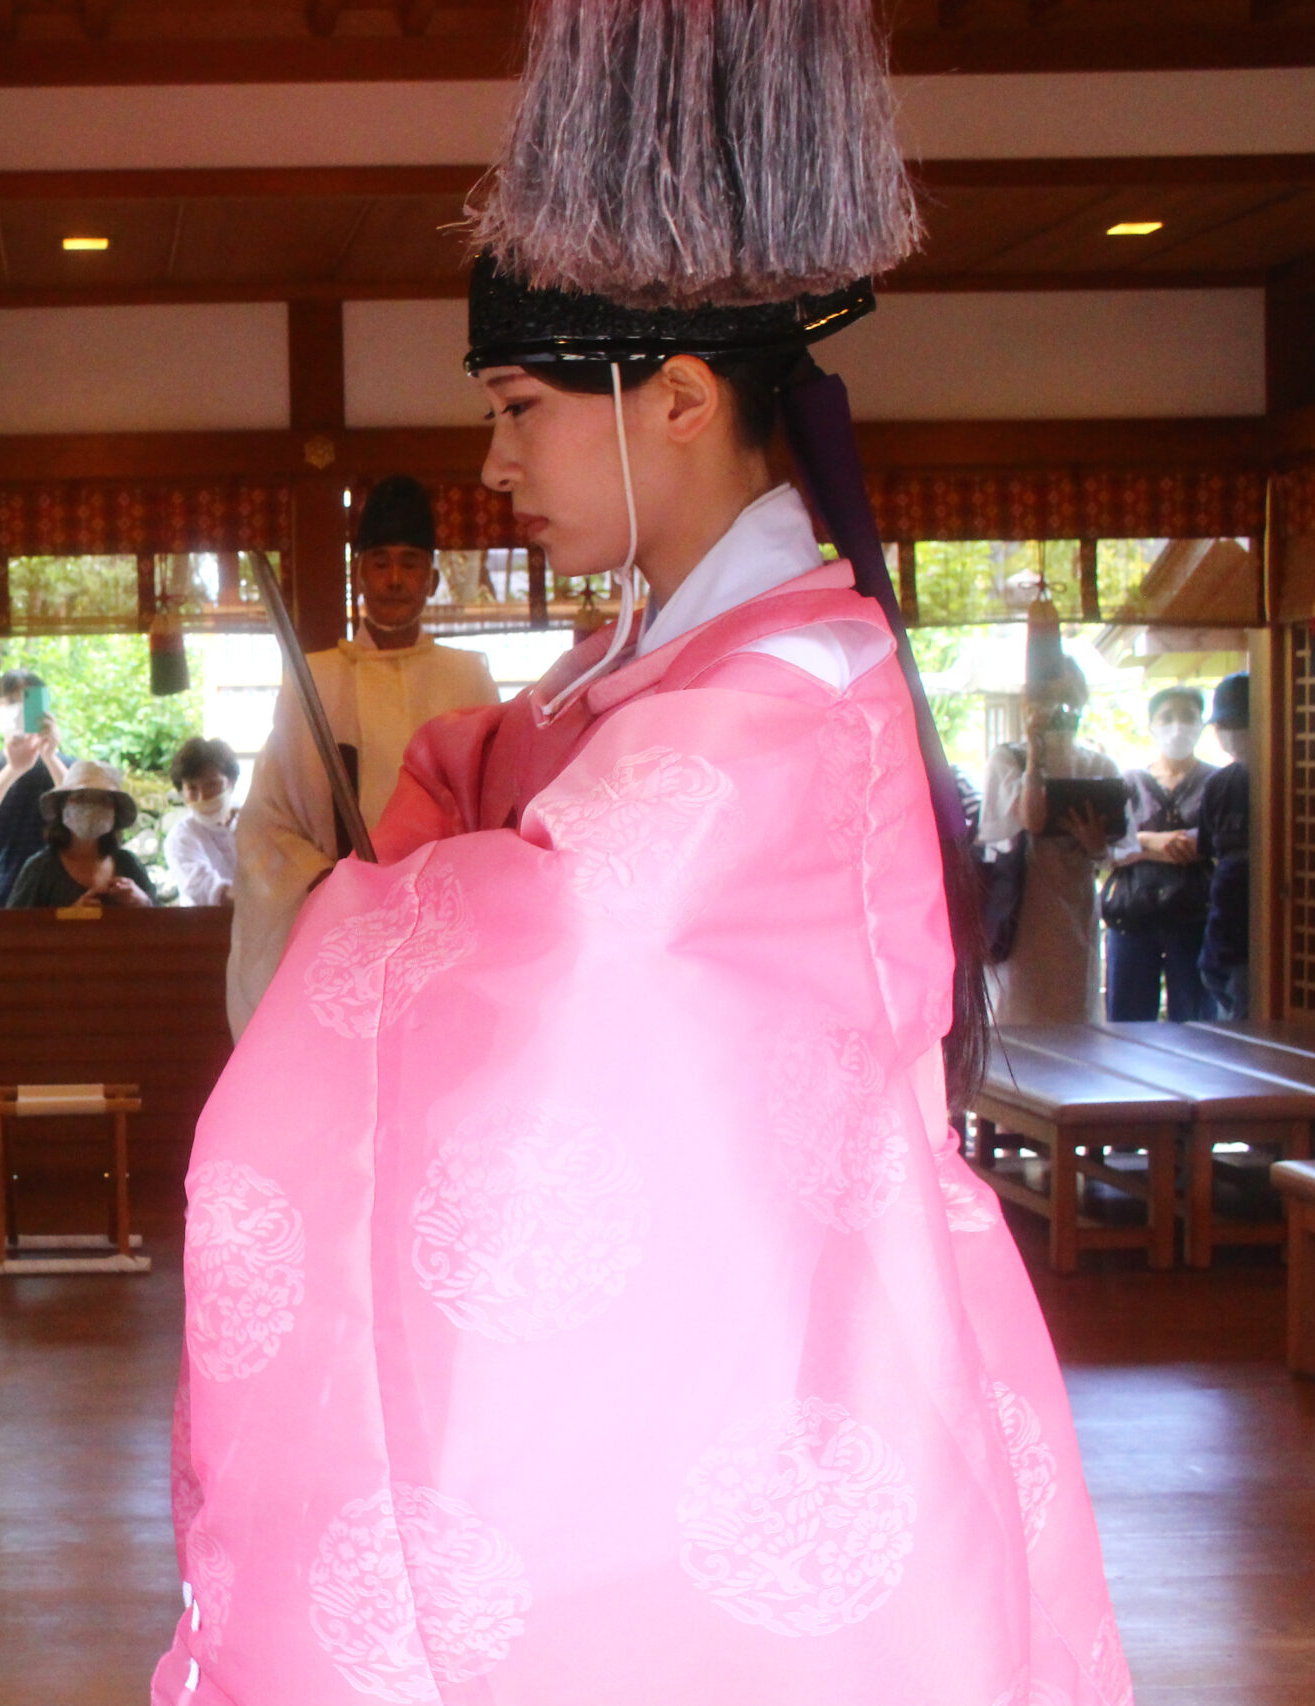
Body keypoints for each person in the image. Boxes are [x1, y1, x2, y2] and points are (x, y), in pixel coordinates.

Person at [158, 89, 1120, 1701]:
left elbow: (581, 937)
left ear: (676, 396)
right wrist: (434, 842)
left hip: (771, 1341)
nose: (494, 460)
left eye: (520, 407)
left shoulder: (797, 687)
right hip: (664, 1339)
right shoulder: (648, 661)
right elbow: (483, 790)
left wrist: (372, 905)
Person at [226, 476, 497, 1036]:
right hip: (340, 923)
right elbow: (264, 823)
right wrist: (323, 880)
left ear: (432, 579)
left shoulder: (467, 678)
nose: (394, 579)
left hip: (440, 923)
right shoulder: (315, 680)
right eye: (380, 562)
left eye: (410, 563)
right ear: (359, 575)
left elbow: (496, 810)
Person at [978, 659, 1124, 1023]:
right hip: (1023, 904)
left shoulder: (1100, 767)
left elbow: (1114, 854)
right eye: (1047, 699)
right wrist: (1035, 757)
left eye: (1068, 699)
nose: (1059, 709)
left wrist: (1094, 844)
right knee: (1018, 1007)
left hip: (1076, 903)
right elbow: (1031, 819)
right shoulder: (1006, 759)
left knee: (1074, 1006)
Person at [1102, 685, 1214, 1021]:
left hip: (1195, 919)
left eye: (1187, 717)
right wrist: (1155, 842)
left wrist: (1138, 844)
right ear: (1151, 725)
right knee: (1127, 1025)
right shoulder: (1129, 782)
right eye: (1167, 717)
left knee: (1196, 1027)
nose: (1177, 726)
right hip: (1131, 918)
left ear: (1201, 724)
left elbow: (1204, 844)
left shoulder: (1217, 782)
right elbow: (1110, 849)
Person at [0, 670, 70, 908]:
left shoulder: (66, 767)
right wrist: (14, 769)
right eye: (11, 702)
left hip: (55, 898)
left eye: (29, 702)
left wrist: (50, 756)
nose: (21, 710)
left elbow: (80, 813)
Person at [4, 760, 155, 909]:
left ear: (115, 812)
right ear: (62, 807)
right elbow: (14, 923)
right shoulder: (41, 869)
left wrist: (143, 901)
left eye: (102, 800)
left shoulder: (128, 864)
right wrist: (70, 916)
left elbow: (160, 919)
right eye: (81, 797)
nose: (91, 808)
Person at [1197, 670, 1252, 1018]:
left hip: (1267, 938)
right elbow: (1209, 856)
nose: (1231, 734)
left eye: (1239, 724)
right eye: (1223, 726)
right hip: (1222, 935)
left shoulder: (1295, 779)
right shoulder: (1219, 785)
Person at [163, 737, 240, 906]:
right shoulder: (181, 838)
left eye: (212, 784)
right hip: (208, 921)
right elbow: (209, 891)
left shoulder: (255, 820)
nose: (203, 797)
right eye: (192, 788)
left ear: (231, 782)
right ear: (182, 791)